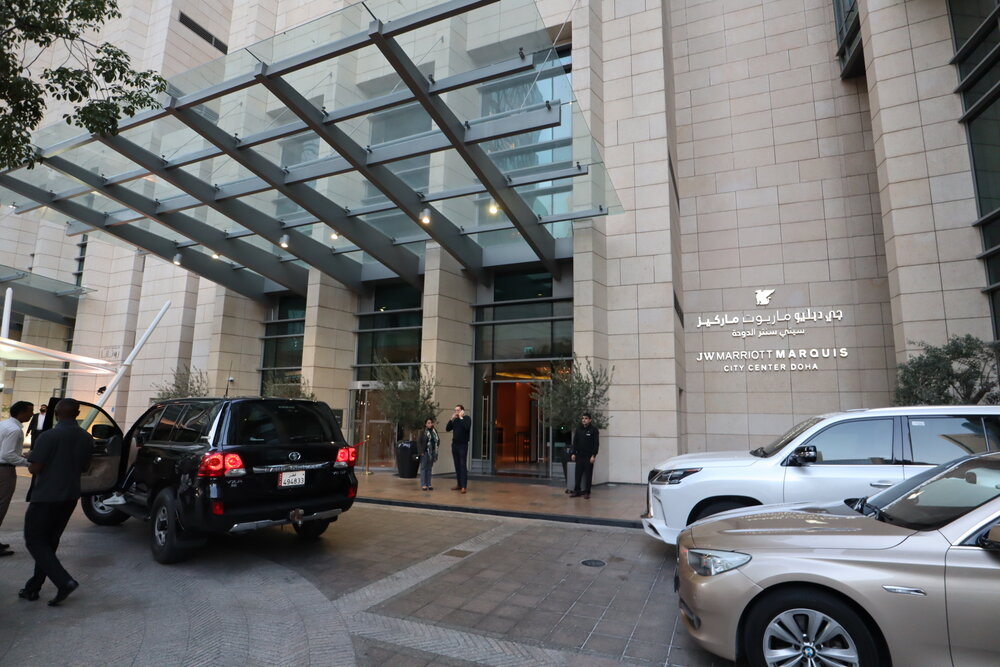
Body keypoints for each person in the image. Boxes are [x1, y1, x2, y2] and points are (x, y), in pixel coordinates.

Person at [20, 399, 94, 606]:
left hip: (46, 496)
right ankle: (33, 587)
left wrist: (31, 457)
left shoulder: (48, 436)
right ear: (77, 413)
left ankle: (64, 582)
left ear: (56, 414)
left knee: (35, 540)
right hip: (70, 496)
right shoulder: (87, 438)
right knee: (49, 542)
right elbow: (85, 467)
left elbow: (35, 468)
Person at [0, 401, 34, 556]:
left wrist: (20, 456)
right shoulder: (15, 430)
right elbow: (7, 455)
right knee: (1, 506)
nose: (32, 414)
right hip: (4, 471)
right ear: (21, 412)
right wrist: (28, 463)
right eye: (30, 411)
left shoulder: (4, 424)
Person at [570, 413, 600, 499]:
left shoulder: (594, 430)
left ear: (590, 420)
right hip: (579, 456)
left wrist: (593, 455)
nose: (584, 420)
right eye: (583, 418)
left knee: (588, 475)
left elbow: (596, 444)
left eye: (586, 418)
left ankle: (587, 492)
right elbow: (575, 442)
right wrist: (573, 453)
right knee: (578, 474)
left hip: (588, 457)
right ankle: (577, 491)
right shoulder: (578, 429)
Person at [446, 404, 471, 494]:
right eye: (455, 410)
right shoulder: (455, 420)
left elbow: (467, 427)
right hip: (455, 445)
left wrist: (461, 417)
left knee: (462, 465)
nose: (456, 412)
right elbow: (447, 429)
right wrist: (451, 419)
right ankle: (459, 484)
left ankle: (463, 486)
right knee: (457, 465)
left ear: (462, 411)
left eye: (458, 410)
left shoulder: (467, 418)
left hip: (463, 445)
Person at [417, 417, 439, 491]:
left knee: (429, 468)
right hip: (425, 452)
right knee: (423, 468)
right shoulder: (422, 431)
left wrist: (436, 447)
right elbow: (419, 442)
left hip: (432, 452)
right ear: (425, 424)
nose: (430, 424)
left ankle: (429, 483)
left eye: (431, 423)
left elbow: (437, 440)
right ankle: (423, 484)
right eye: (428, 423)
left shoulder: (434, 431)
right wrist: (421, 452)